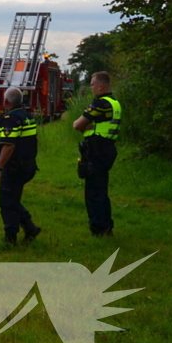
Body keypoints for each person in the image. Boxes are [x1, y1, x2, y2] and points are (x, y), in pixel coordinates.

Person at [0, 87, 42, 245]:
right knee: (12, 200)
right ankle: (30, 228)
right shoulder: (26, 116)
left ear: (6, 101)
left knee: (6, 202)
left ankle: (11, 238)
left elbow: (8, 146)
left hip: (14, 168)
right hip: (27, 165)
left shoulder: (11, 119)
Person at [72, 71, 121, 236]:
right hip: (108, 148)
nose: (91, 88)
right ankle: (106, 226)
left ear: (101, 86)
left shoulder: (99, 103)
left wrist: (85, 127)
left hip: (96, 149)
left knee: (93, 192)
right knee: (101, 190)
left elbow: (77, 125)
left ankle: (99, 229)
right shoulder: (114, 102)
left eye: (92, 85)